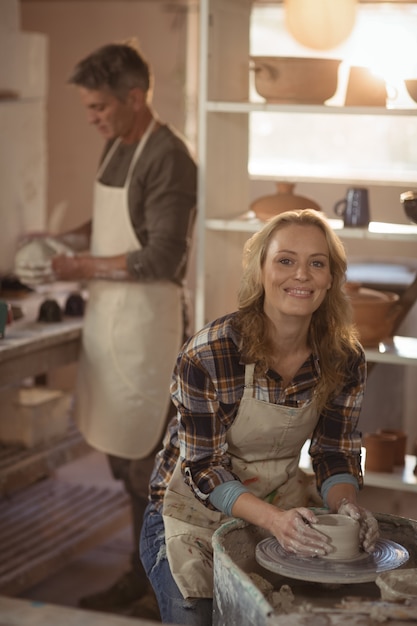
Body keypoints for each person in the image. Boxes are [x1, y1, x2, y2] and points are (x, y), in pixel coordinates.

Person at [140, 208, 379, 626]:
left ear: (330, 279)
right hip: (188, 516)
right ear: (260, 271)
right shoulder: (211, 353)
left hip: (282, 508)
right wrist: (274, 522)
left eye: (316, 263)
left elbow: (333, 452)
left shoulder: (343, 357)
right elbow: (205, 468)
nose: (301, 275)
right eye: (285, 260)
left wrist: (347, 507)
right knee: (196, 616)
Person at [45, 42, 197, 616]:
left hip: (149, 329)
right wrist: (66, 239)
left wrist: (82, 267)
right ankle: (139, 573)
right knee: (118, 455)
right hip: (111, 321)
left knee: (148, 467)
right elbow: (116, 221)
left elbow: (162, 256)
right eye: (88, 108)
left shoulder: (170, 158)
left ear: (135, 98)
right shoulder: (117, 144)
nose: (92, 119)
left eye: (99, 108)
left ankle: (160, 582)